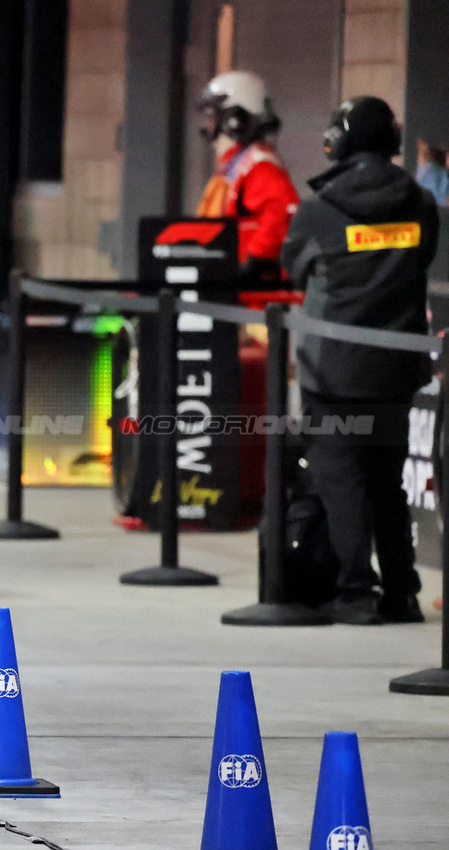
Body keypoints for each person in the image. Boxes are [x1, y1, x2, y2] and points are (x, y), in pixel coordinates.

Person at [282, 96, 439, 625]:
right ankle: (402, 593)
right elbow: (422, 257)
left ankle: (355, 593)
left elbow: (294, 266)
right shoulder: (418, 201)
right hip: (395, 366)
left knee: (342, 482)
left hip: (333, 369)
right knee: (386, 481)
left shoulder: (319, 207)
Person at [196, 70, 300, 284]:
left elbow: (280, 213)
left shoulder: (259, 167)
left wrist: (252, 264)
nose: (208, 126)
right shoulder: (237, 166)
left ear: (234, 119)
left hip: (252, 301)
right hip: (232, 292)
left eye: (212, 117)